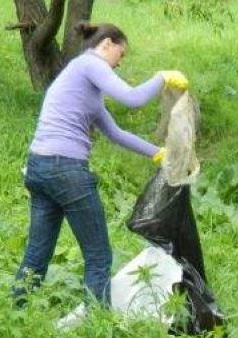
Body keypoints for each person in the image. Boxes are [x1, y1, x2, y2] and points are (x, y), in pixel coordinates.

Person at [13, 22, 188, 306]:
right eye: (121, 55)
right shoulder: (90, 64)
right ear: (106, 44)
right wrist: (162, 77)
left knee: (37, 254)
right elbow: (133, 98)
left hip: (39, 167)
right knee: (98, 256)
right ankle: (97, 329)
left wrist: (159, 153)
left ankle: (16, 316)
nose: (119, 64)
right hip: (66, 171)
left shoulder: (83, 86)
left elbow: (116, 133)